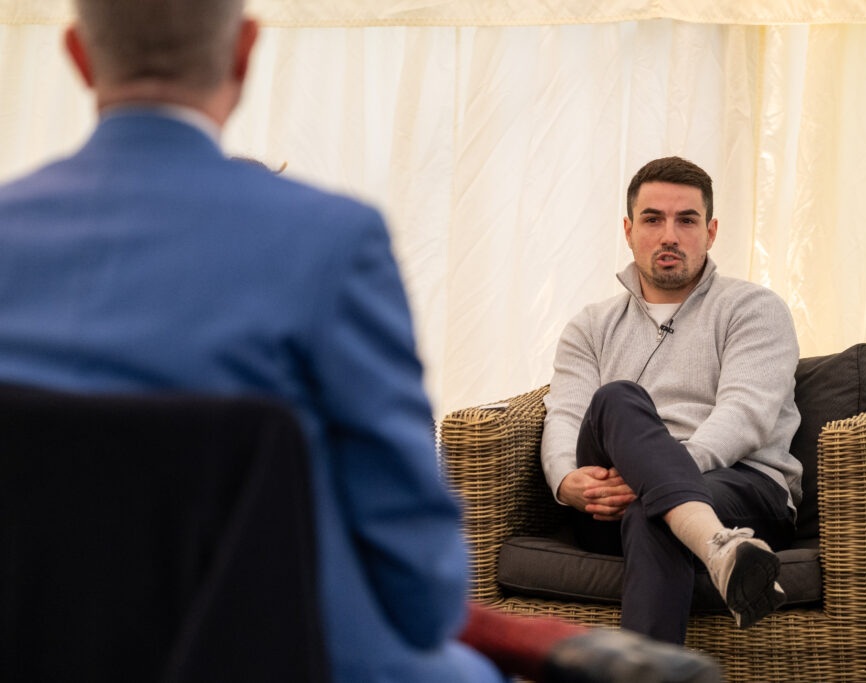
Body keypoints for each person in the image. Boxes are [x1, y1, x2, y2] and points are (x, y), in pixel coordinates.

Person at [0, 3, 719, 681]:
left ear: (77, 53)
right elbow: (419, 577)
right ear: (245, 51)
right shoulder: (331, 241)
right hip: (286, 652)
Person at [540, 157, 802, 644]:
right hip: (609, 498)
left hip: (743, 488)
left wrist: (657, 476)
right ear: (628, 229)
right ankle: (718, 548)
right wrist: (566, 482)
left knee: (653, 511)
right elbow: (567, 414)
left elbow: (745, 415)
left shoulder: (753, 309)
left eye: (687, 220)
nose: (669, 235)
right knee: (617, 399)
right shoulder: (591, 326)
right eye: (652, 219)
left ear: (711, 230)